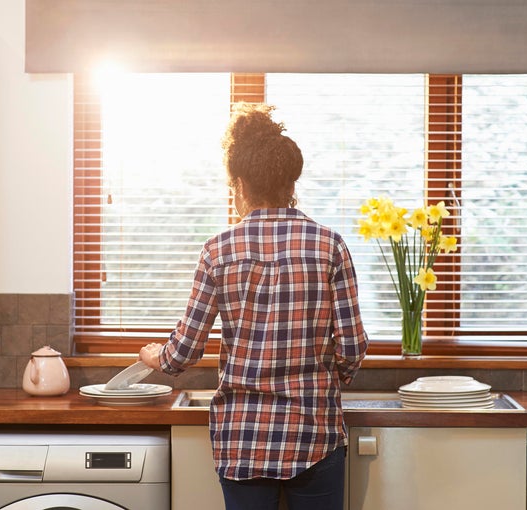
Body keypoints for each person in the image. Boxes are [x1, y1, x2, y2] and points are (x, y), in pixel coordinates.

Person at [140, 103, 368, 510]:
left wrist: (156, 355)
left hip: (242, 439)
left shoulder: (217, 252)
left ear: (240, 184)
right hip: (314, 434)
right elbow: (352, 347)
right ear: (290, 183)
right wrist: (323, 382)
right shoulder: (329, 246)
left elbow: (183, 353)